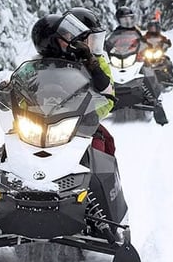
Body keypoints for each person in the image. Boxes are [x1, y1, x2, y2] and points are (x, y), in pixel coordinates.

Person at [31, 10, 117, 155]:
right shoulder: (38, 63)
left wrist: (92, 65)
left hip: (79, 118)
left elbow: (108, 95)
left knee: (103, 145)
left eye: (72, 35)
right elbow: (25, 81)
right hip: (39, 119)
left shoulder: (93, 60)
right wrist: (9, 89)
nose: (71, 39)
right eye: (67, 36)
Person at [143, 19, 173, 94]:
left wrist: (167, 44)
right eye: (151, 28)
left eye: (154, 28)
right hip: (147, 56)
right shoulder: (145, 37)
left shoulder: (161, 37)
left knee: (168, 62)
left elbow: (166, 42)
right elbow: (139, 43)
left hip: (158, 55)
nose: (152, 30)